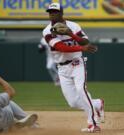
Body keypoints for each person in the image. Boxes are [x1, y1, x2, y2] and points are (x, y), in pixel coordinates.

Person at [43, 2, 105, 133]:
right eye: (50, 12)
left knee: (81, 90)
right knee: (73, 103)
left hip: (77, 63)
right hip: (62, 68)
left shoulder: (74, 26)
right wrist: (81, 48)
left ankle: (93, 124)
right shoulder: (47, 31)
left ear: (61, 13)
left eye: (55, 12)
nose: (52, 15)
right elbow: (61, 48)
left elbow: (86, 42)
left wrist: (71, 34)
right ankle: (98, 104)